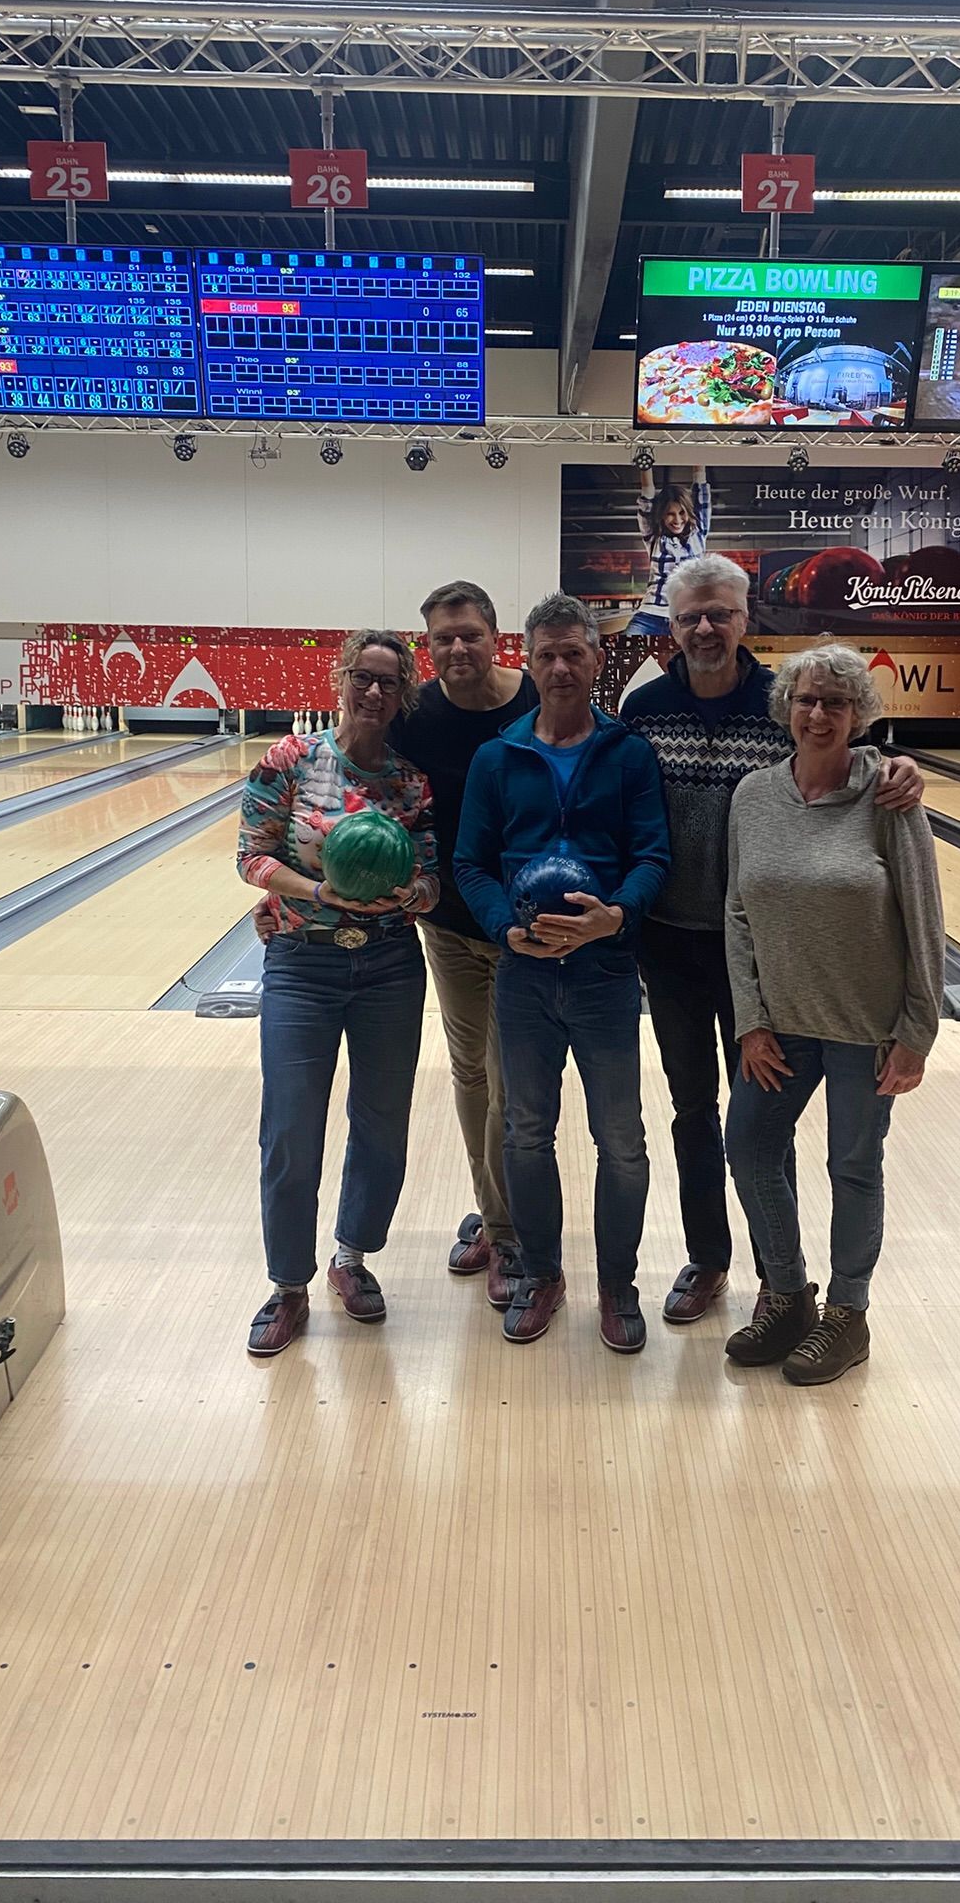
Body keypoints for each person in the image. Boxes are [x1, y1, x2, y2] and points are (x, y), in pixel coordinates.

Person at [620, 553, 924, 1326]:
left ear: (744, 617)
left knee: (766, 1125)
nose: (705, 627)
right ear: (673, 624)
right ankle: (709, 1259)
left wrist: (903, 768)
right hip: (675, 943)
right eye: (690, 615)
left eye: (720, 612)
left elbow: (846, 761)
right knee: (695, 1112)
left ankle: (776, 1279)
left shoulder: (783, 703)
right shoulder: (646, 710)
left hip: (775, 958)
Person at [454, 592, 671, 1353]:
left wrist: (616, 916)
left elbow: (652, 856)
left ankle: (618, 1284)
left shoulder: (628, 753)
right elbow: (470, 864)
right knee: (525, 1132)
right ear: (529, 659)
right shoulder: (497, 756)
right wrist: (503, 930)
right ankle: (543, 1272)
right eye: (545, 654)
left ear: (594, 656)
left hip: (606, 973)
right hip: (523, 979)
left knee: (622, 1139)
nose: (559, 667)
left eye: (573, 652)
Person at [722, 644, 944, 1385]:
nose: (818, 715)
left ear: (859, 716)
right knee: (750, 1147)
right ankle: (786, 1294)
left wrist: (917, 1032)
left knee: (852, 1167)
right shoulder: (753, 795)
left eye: (836, 704)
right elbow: (738, 913)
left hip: (864, 1029)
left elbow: (924, 919)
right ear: (786, 706)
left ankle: (848, 1317)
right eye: (806, 700)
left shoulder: (889, 797)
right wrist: (751, 1018)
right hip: (778, 1027)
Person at [237, 630, 439, 1356]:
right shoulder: (290, 760)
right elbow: (251, 859)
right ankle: (288, 1285)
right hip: (301, 964)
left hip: (388, 964)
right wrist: (317, 888)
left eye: (390, 682)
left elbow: (432, 879)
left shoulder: (411, 785)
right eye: (364, 677)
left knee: (382, 1125)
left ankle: (351, 1257)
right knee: (290, 1129)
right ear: (341, 678)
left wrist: (408, 894)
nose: (375, 692)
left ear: (405, 693)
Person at [387, 581, 539, 1308]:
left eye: (469, 634)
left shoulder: (536, 698)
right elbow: (354, 785)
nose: (455, 648)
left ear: (495, 634)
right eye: (441, 638)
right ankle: (497, 1217)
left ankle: (507, 1233)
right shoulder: (416, 714)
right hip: (447, 926)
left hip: (523, 929)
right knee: (470, 1074)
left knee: (509, 1083)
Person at [627, 464, 710, 636]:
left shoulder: (699, 533)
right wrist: (645, 464)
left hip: (687, 618)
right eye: (670, 513)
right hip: (651, 616)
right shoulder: (653, 536)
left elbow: (701, 489)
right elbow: (647, 498)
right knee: (623, 653)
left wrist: (701, 445)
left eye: (681, 512)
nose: (677, 519)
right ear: (661, 515)